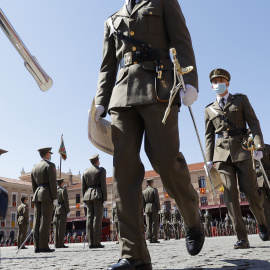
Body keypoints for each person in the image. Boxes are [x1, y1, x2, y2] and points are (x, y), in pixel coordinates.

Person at [94, 0, 204, 268]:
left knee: (165, 160)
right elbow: (108, 66)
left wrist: (189, 82)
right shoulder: (112, 19)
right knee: (124, 172)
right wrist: (99, 101)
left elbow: (181, 39)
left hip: (159, 87)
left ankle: (192, 217)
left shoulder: (163, 1)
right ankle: (134, 255)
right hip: (121, 97)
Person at [205, 68, 269, 249]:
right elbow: (209, 136)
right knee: (230, 194)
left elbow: (254, 122)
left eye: (221, 80)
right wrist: (208, 159)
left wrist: (259, 145)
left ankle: (262, 221)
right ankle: (242, 237)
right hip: (221, 156)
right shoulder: (209, 109)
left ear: (228, 83)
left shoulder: (241, 99)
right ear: (212, 86)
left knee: (250, 191)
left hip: (242, 150)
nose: (218, 84)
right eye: (215, 81)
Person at [31, 147, 57, 253]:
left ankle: (36, 246)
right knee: (45, 221)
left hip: (37, 194)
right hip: (47, 194)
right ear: (46, 154)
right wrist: (55, 197)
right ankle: (43, 246)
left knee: (36, 221)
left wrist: (36, 195)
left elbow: (33, 185)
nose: (50, 155)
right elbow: (53, 183)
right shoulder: (50, 165)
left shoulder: (35, 168)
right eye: (49, 154)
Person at [82, 154, 107, 249]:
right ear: (97, 161)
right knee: (97, 218)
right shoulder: (101, 170)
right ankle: (96, 242)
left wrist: (83, 199)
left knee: (89, 218)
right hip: (97, 194)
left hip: (87, 195)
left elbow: (83, 187)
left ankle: (90, 242)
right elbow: (103, 185)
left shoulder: (85, 172)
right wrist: (105, 199)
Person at [255, 144, 270, 228]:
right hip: (258, 180)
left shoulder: (267, 147)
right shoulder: (246, 151)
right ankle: (268, 229)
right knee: (264, 206)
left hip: (268, 177)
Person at [142, 178, 160, 243]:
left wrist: (144, 209)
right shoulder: (154, 190)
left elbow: (143, 202)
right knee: (154, 223)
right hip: (154, 207)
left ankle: (149, 238)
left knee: (148, 223)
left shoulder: (144, 191)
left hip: (147, 208)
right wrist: (159, 209)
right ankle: (154, 238)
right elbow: (157, 201)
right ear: (152, 182)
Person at [53, 178, 70, 248]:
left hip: (56, 210)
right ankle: (60, 244)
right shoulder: (63, 190)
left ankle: (56, 243)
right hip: (62, 210)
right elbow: (66, 201)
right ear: (62, 183)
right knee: (61, 228)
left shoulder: (54, 191)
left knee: (56, 228)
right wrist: (68, 211)